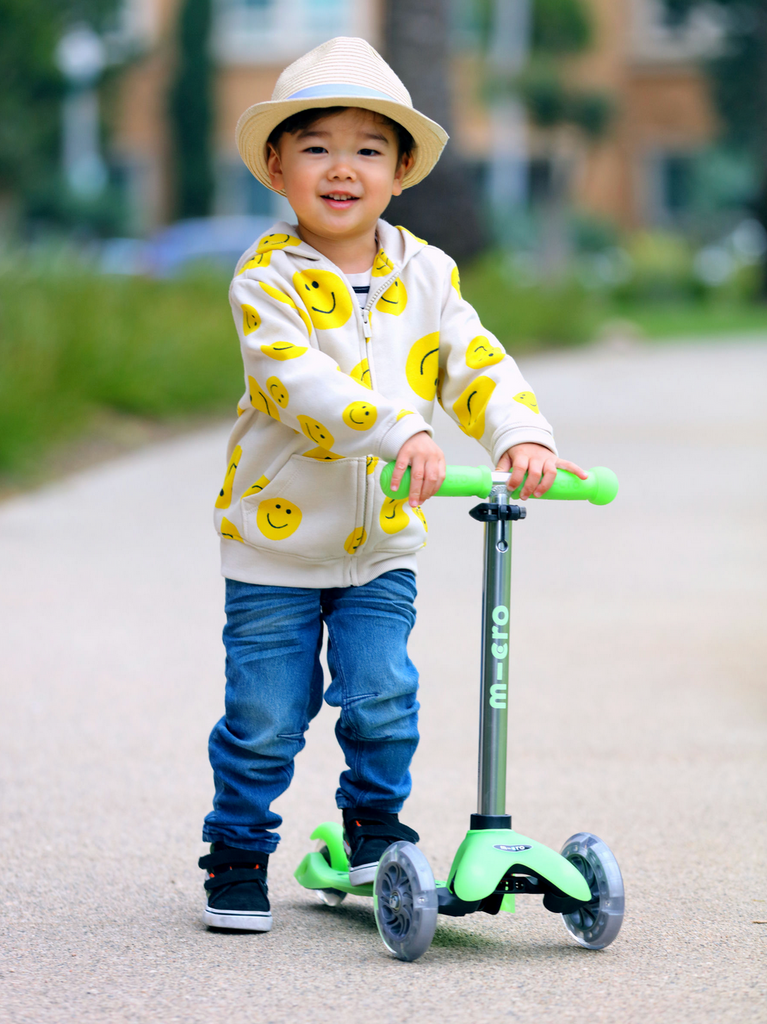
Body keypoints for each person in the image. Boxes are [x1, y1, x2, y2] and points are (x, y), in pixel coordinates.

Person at [200, 36, 586, 932]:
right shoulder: (265, 281)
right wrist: (400, 427)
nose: (343, 168)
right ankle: (237, 848)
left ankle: (374, 831)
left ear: (401, 170)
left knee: (383, 698)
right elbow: (300, 386)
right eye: (317, 147)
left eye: (368, 149)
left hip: (382, 551)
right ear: (276, 165)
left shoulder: (428, 273)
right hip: (274, 547)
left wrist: (519, 432)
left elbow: (472, 362)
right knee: (265, 716)